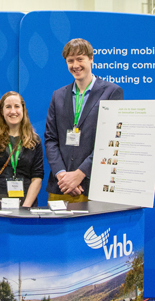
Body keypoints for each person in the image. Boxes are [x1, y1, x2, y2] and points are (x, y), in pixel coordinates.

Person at [44, 38, 124, 203]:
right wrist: (62, 175)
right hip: (61, 187)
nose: (75, 65)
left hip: (93, 187)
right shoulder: (58, 95)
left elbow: (111, 140)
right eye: (70, 61)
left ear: (91, 59)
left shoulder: (111, 92)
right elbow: (50, 139)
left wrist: (80, 174)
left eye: (80, 59)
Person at [0, 91, 44, 207]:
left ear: (23, 110)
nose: (13, 111)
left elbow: (37, 177)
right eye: (8, 107)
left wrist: (25, 207)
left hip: (26, 204)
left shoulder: (35, 141)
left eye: (17, 106)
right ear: (2, 111)